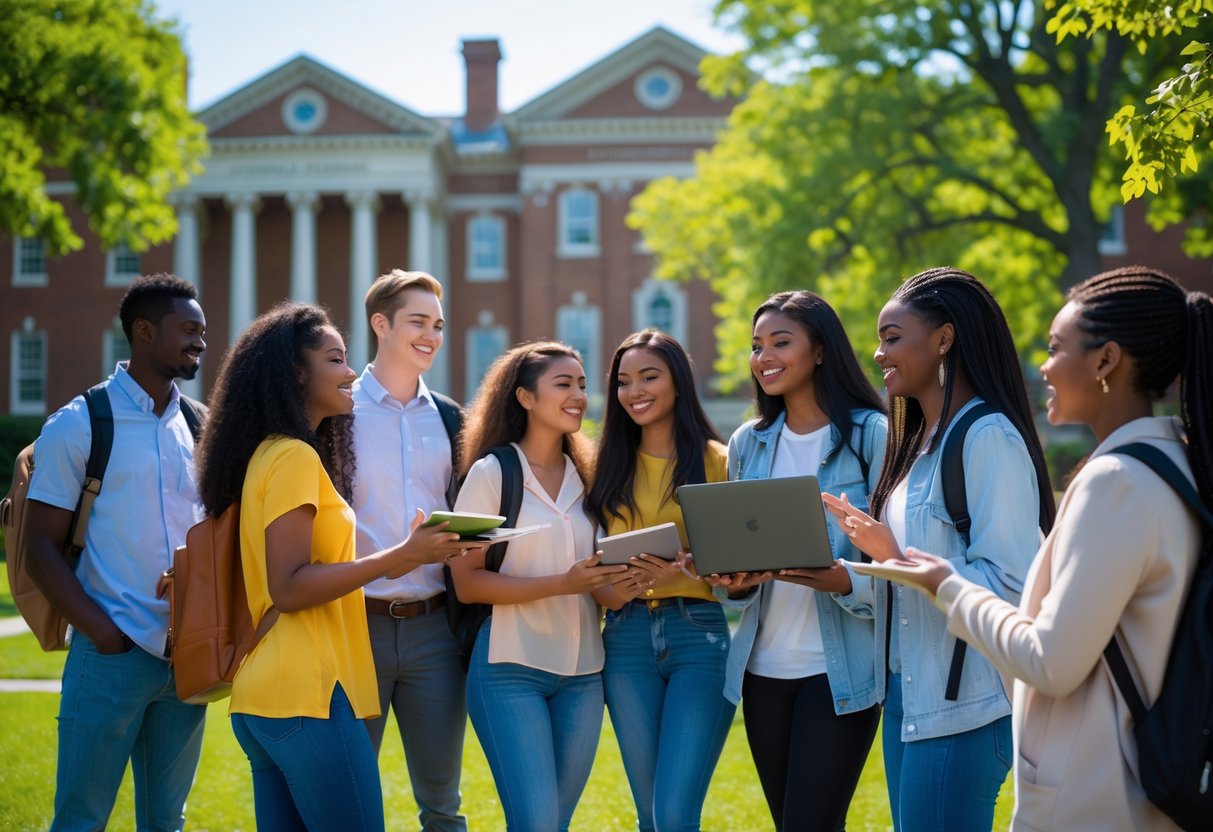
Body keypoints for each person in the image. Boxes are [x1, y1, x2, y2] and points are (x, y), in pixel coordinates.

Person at [840, 267, 1212, 831]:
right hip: (1141, 773)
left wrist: (945, 584)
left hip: (1097, 790)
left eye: (1056, 347)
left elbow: (1050, 660)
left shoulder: (1115, 480)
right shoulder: (1180, 467)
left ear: (1106, 361)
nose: (1042, 365)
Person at [194, 302, 479, 830]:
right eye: (335, 359)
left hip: (268, 696)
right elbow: (290, 586)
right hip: (308, 696)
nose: (351, 371)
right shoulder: (294, 458)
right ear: (296, 373)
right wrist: (403, 555)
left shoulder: (270, 453)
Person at [820, 267, 1056, 832]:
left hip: (967, 709)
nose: (878, 354)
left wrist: (893, 556)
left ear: (944, 339)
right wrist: (842, 576)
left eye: (892, 337)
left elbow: (1013, 585)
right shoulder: (920, 445)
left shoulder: (987, 437)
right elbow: (904, 594)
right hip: (908, 702)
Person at [24, 273, 208, 831]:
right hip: (110, 657)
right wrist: (105, 635)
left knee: (166, 821)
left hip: (186, 661)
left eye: (203, 331)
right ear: (145, 332)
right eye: (189, 330)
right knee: (81, 820)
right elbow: (39, 547)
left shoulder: (199, 425)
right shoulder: (81, 423)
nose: (201, 341)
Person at [707, 291, 888, 831]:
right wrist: (733, 582)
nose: (764, 357)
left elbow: (895, 564)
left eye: (781, 342)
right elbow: (741, 567)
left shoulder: (870, 436)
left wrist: (839, 580)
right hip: (763, 671)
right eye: (757, 346)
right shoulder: (748, 442)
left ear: (821, 351)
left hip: (839, 671)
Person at [448, 341, 632, 832]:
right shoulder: (492, 474)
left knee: (554, 824)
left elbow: (602, 592)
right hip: (510, 669)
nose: (578, 395)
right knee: (536, 823)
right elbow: (466, 583)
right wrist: (563, 583)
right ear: (525, 398)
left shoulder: (590, 479)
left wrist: (637, 580)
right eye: (563, 384)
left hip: (583, 676)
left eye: (582, 385)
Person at [582, 330, 735, 832]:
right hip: (624, 640)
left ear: (677, 384)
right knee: (651, 814)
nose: (635, 390)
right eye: (624, 381)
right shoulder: (604, 465)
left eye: (649, 376)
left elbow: (736, 573)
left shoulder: (718, 460)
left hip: (699, 635)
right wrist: (623, 582)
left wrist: (690, 567)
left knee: (673, 812)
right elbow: (596, 583)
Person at [350, 270, 470, 831]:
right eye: (418, 322)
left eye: (438, 325)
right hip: (354, 627)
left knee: (443, 803)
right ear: (381, 324)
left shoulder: (450, 419)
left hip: (434, 633)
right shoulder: (335, 413)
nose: (431, 335)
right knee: (345, 798)